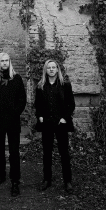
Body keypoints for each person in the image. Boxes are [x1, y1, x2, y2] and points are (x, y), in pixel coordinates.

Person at [0, 52, 26, 197]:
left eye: (7, 60)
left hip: (12, 120)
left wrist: (14, 113)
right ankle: (1, 175)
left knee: (14, 152)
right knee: (0, 150)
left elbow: (22, 100)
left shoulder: (17, 78)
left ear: (10, 62)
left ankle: (15, 181)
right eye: (2, 61)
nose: (4, 63)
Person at [34, 59, 75, 194]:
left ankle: (67, 181)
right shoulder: (41, 86)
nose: (51, 69)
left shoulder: (65, 85)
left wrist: (64, 118)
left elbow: (71, 104)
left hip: (60, 123)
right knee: (47, 153)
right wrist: (40, 116)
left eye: (53, 67)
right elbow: (37, 105)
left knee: (64, 153)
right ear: (45, 70)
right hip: (47, 123)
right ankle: (47, 179)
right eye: (49, 67)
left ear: (57, 69)